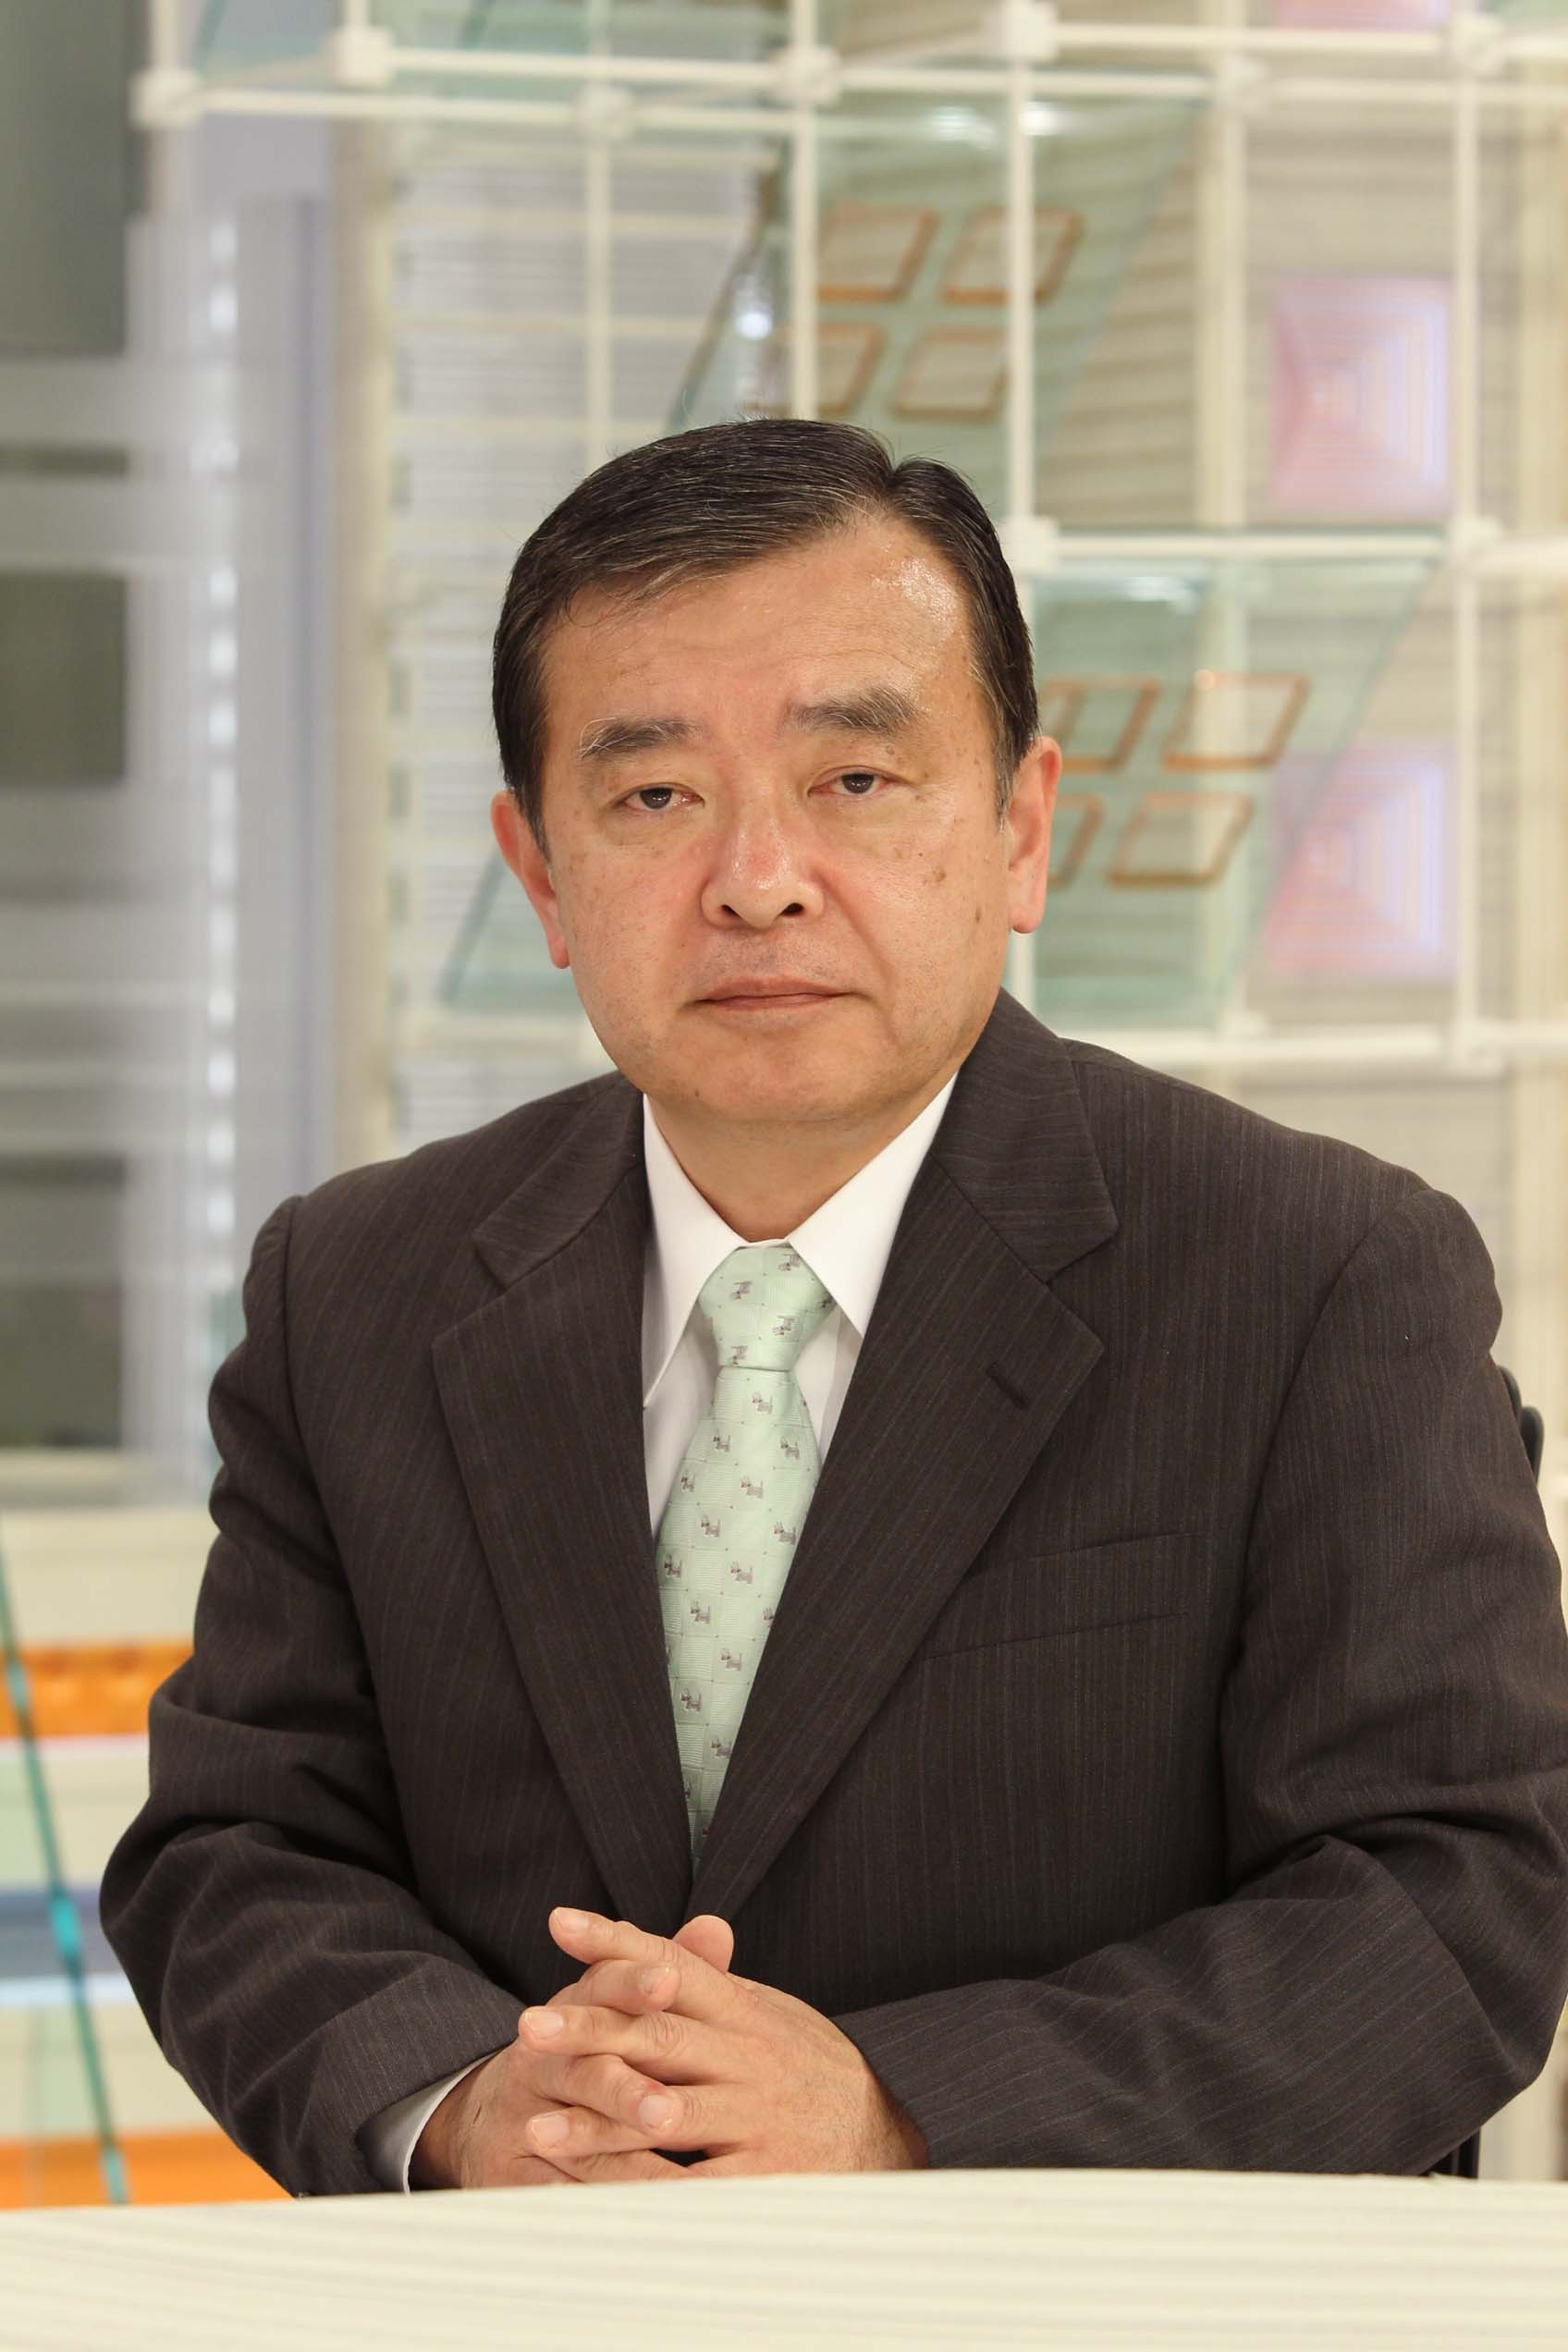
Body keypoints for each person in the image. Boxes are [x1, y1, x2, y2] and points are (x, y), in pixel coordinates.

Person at [101, 419, 1568, 2199]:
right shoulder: (357, 1287)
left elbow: (1455, 1897)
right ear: (540, 870)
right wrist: (481, 2105)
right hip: (542, 2304)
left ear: (1021, 829)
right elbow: (242, 1846)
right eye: (654, 797)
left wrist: (899, 2115)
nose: (757, 877)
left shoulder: (1318, 1272)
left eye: (855, 780)